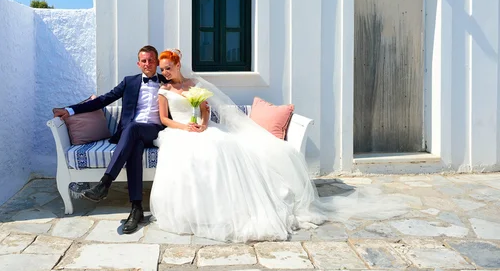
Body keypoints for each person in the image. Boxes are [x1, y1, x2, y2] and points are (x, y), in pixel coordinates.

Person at [149, 49, 407, 243]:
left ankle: (236, 206)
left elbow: (205, 110)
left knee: (222, 146)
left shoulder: (194, 85)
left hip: (202, 129)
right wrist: (187, 128)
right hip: (180, 132)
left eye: (168, 67)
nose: (165, 72)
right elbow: (164, 119)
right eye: (163, 69)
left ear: (178, 64)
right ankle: (197, 211)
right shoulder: (164, 89)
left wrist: (203, 124)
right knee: (190, 156)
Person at [53, 45, 168, 234]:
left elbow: (184, 93)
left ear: (157, 62)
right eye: (144, 60)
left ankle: (105, 183)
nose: (147, 64)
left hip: (155, 131)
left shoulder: (167, 81)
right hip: (133, 134)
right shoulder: (129, 82)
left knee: (133, 129)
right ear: (138, 63)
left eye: (151, 60)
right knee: (134, 146)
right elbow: (103, 100)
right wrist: (70, 110)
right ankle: (136, 208)